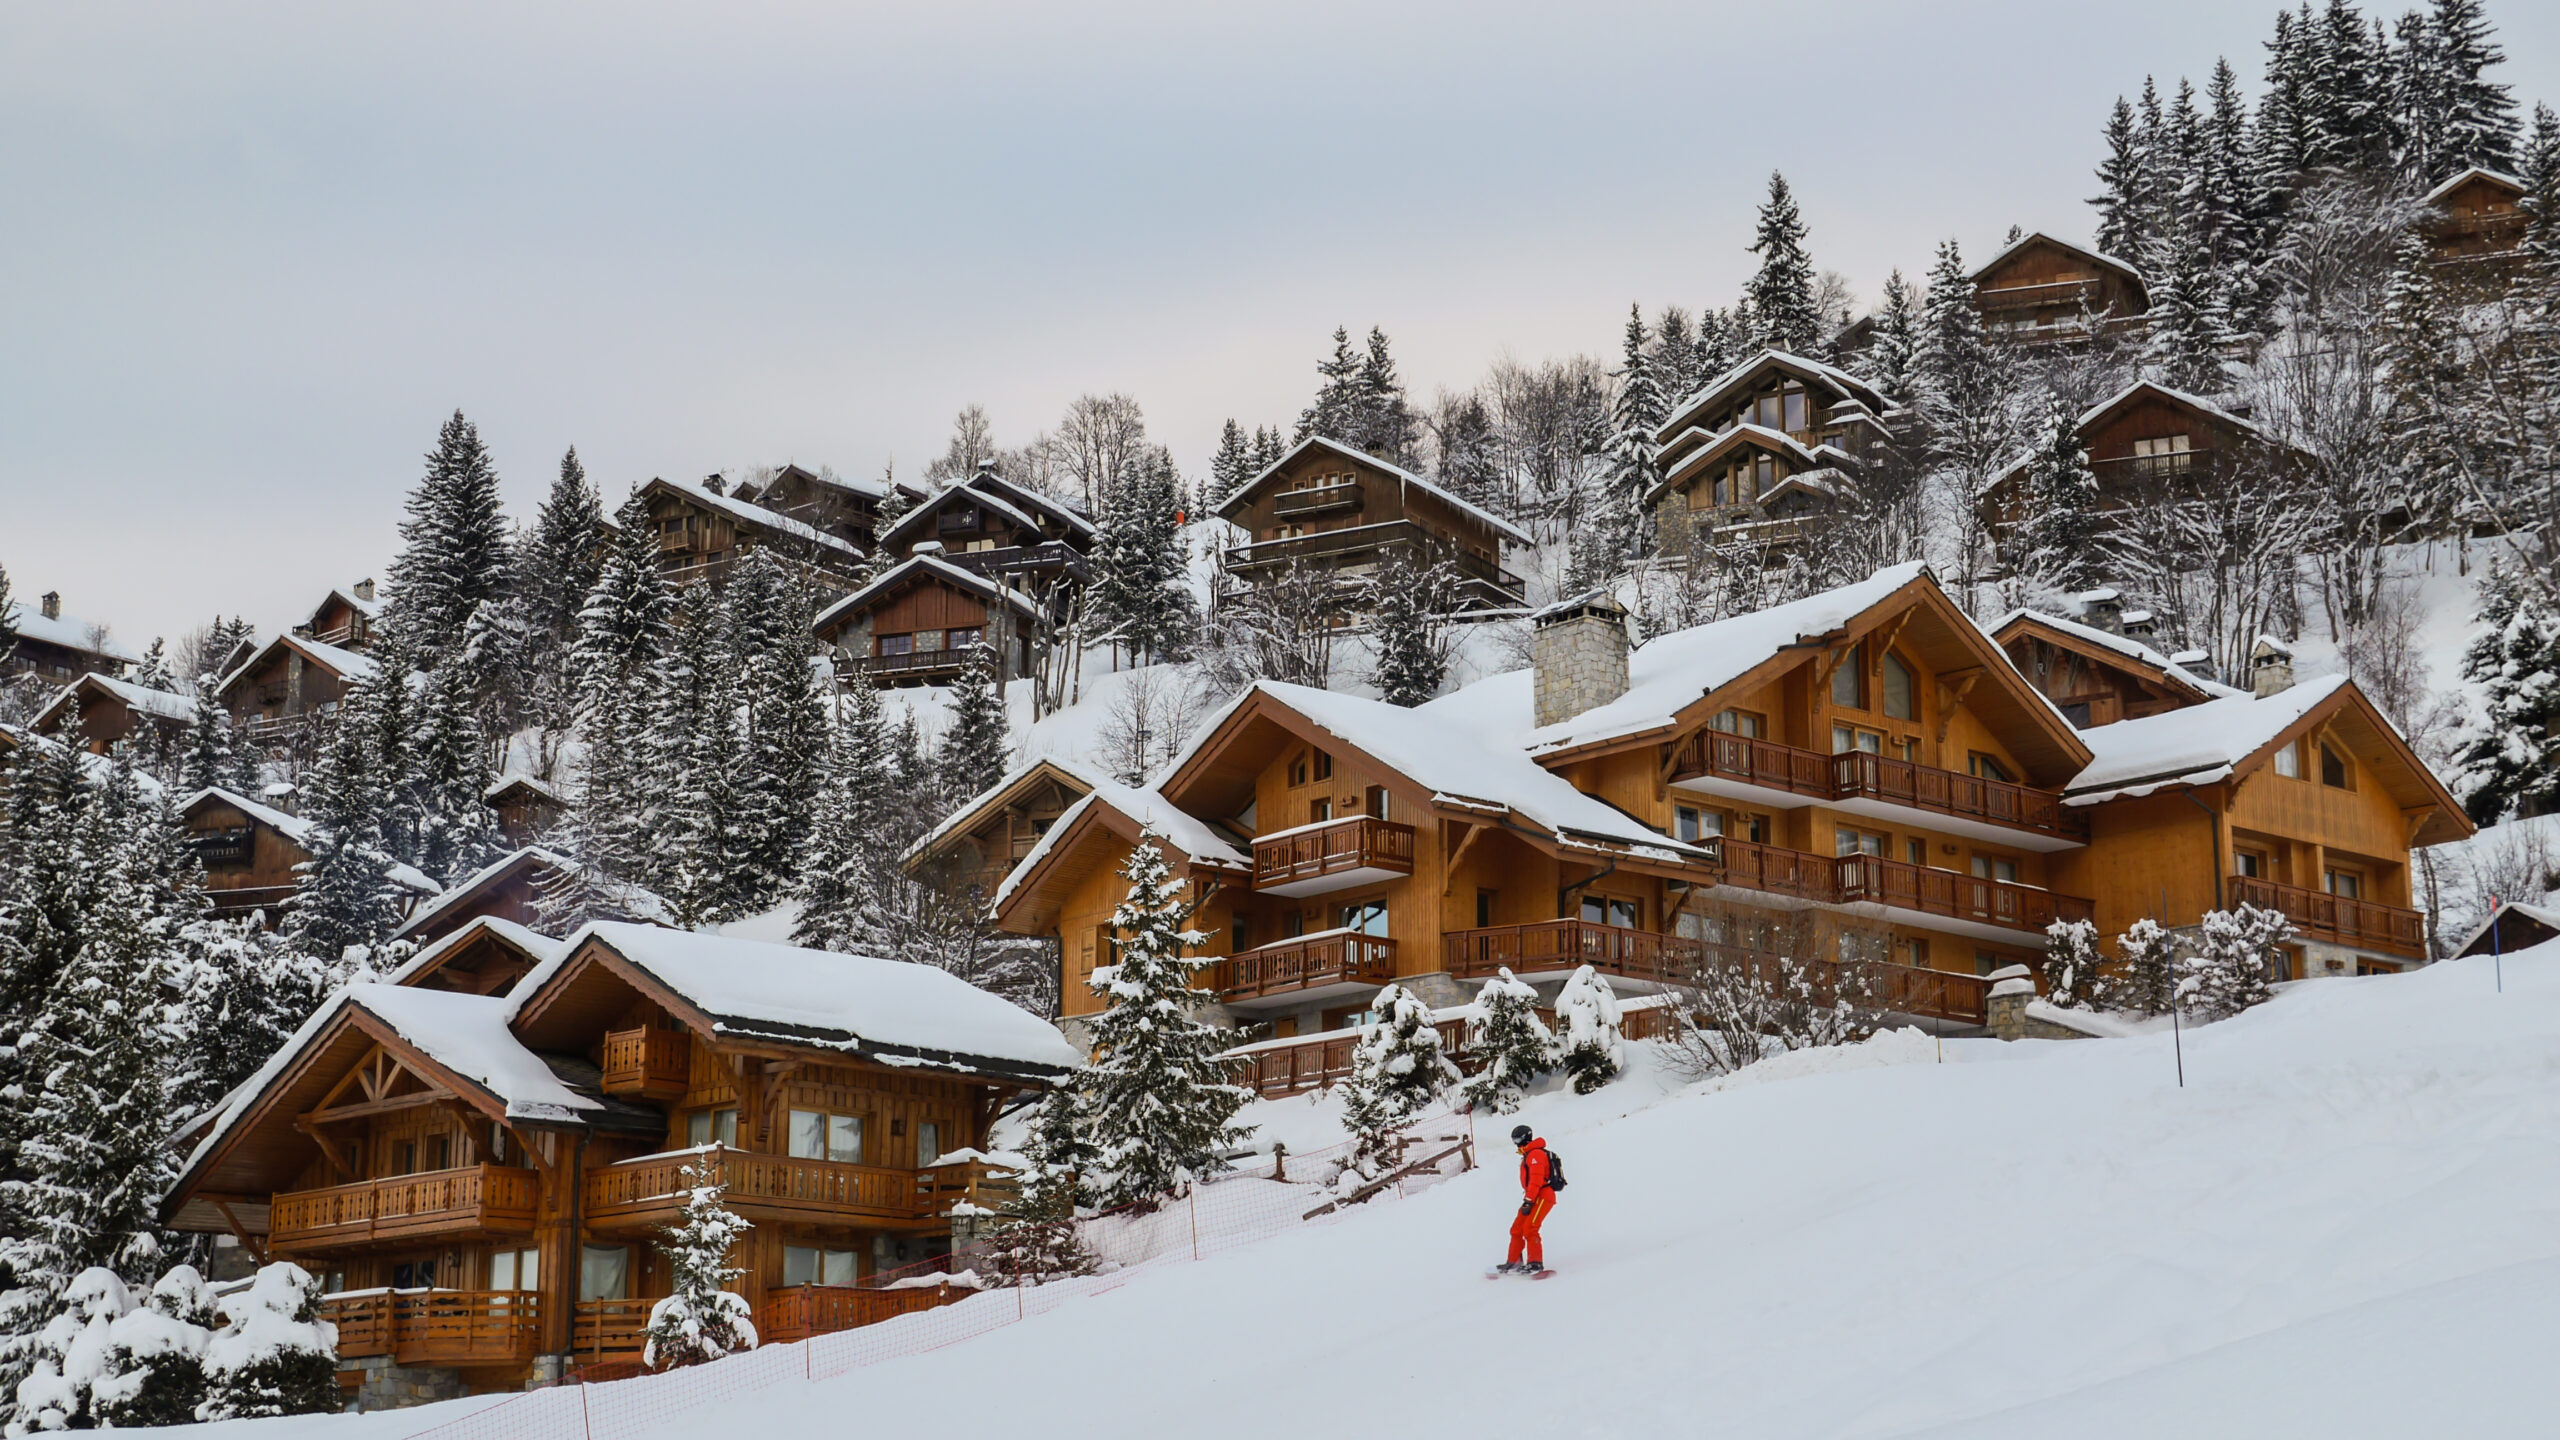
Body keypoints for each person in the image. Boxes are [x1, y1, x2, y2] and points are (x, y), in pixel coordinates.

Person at [1497, 1124, 1555, 1274]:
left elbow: (1536, 1179)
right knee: (1517, 1228)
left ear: (1524, 1138)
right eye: (1513, 1140)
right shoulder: (1528, 1154)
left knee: (1530, 1227)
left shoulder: (1535, 1154)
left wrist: (1529, 1200)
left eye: (1517, 1139)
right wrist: (1528, 1199)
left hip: (1542, 1196)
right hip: (1532, 1197)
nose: (1515, 1143)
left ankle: (1535, 1263)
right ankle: (1514, 1261)